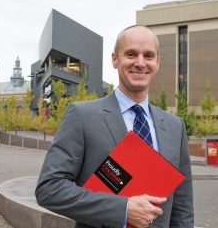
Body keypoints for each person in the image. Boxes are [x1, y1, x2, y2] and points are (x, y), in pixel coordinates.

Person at [35, 25, 194, 228]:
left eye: (148, 55)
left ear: (157, 62)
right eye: (131, 54)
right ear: (115, 59)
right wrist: (124, 210)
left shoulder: (174, 126)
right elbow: (50, 189)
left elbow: (182, 208)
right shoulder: (82, 116)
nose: (140, 63)